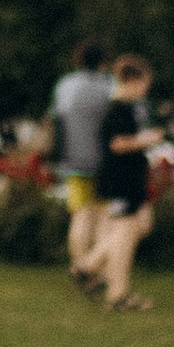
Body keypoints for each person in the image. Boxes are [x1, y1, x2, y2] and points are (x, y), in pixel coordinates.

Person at [94, 56, 162, 312]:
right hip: (120, 179)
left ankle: (89, 268)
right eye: (145, 83)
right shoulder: (118, 109)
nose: (146, 89)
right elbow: (117, 144)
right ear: (133, 81)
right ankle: (117, 294)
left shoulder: (128, 108)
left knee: (140, 227)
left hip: (131, 178)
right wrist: (146, 141)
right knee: (123, 237)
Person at [50, 38, 115, 292]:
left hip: (72, 160)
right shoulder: (109, 85)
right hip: (103, 161)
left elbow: (58, 120)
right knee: (102, 218)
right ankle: (93, 269)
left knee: (80, 216)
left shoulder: (66, 85)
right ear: (103, 62)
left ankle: (80, 267)